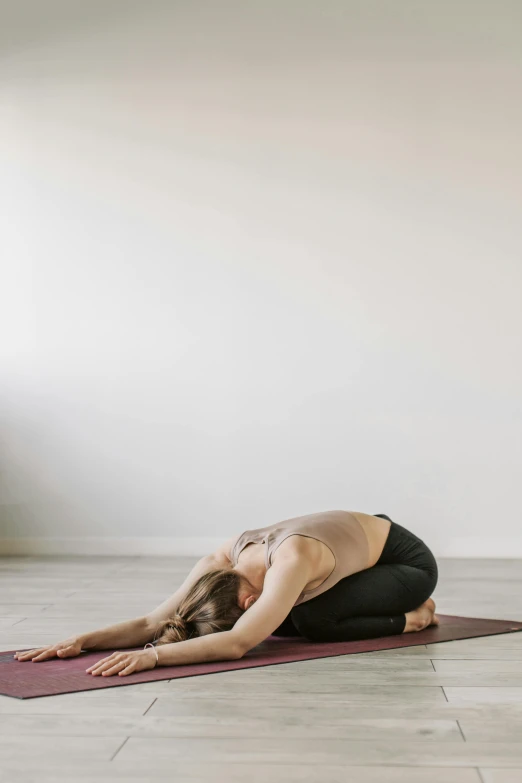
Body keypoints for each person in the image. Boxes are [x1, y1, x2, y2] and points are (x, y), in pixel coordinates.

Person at [14, 510, 439, 677]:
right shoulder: (220, 560)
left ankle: (415, 617)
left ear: (247, 602)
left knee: (310, 621)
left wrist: (153, 656)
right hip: (352, 553)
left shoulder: (290, 563)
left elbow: (237, 643)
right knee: (286, 623)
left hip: (403, 562)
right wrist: (82, 640)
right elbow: (152, 621)